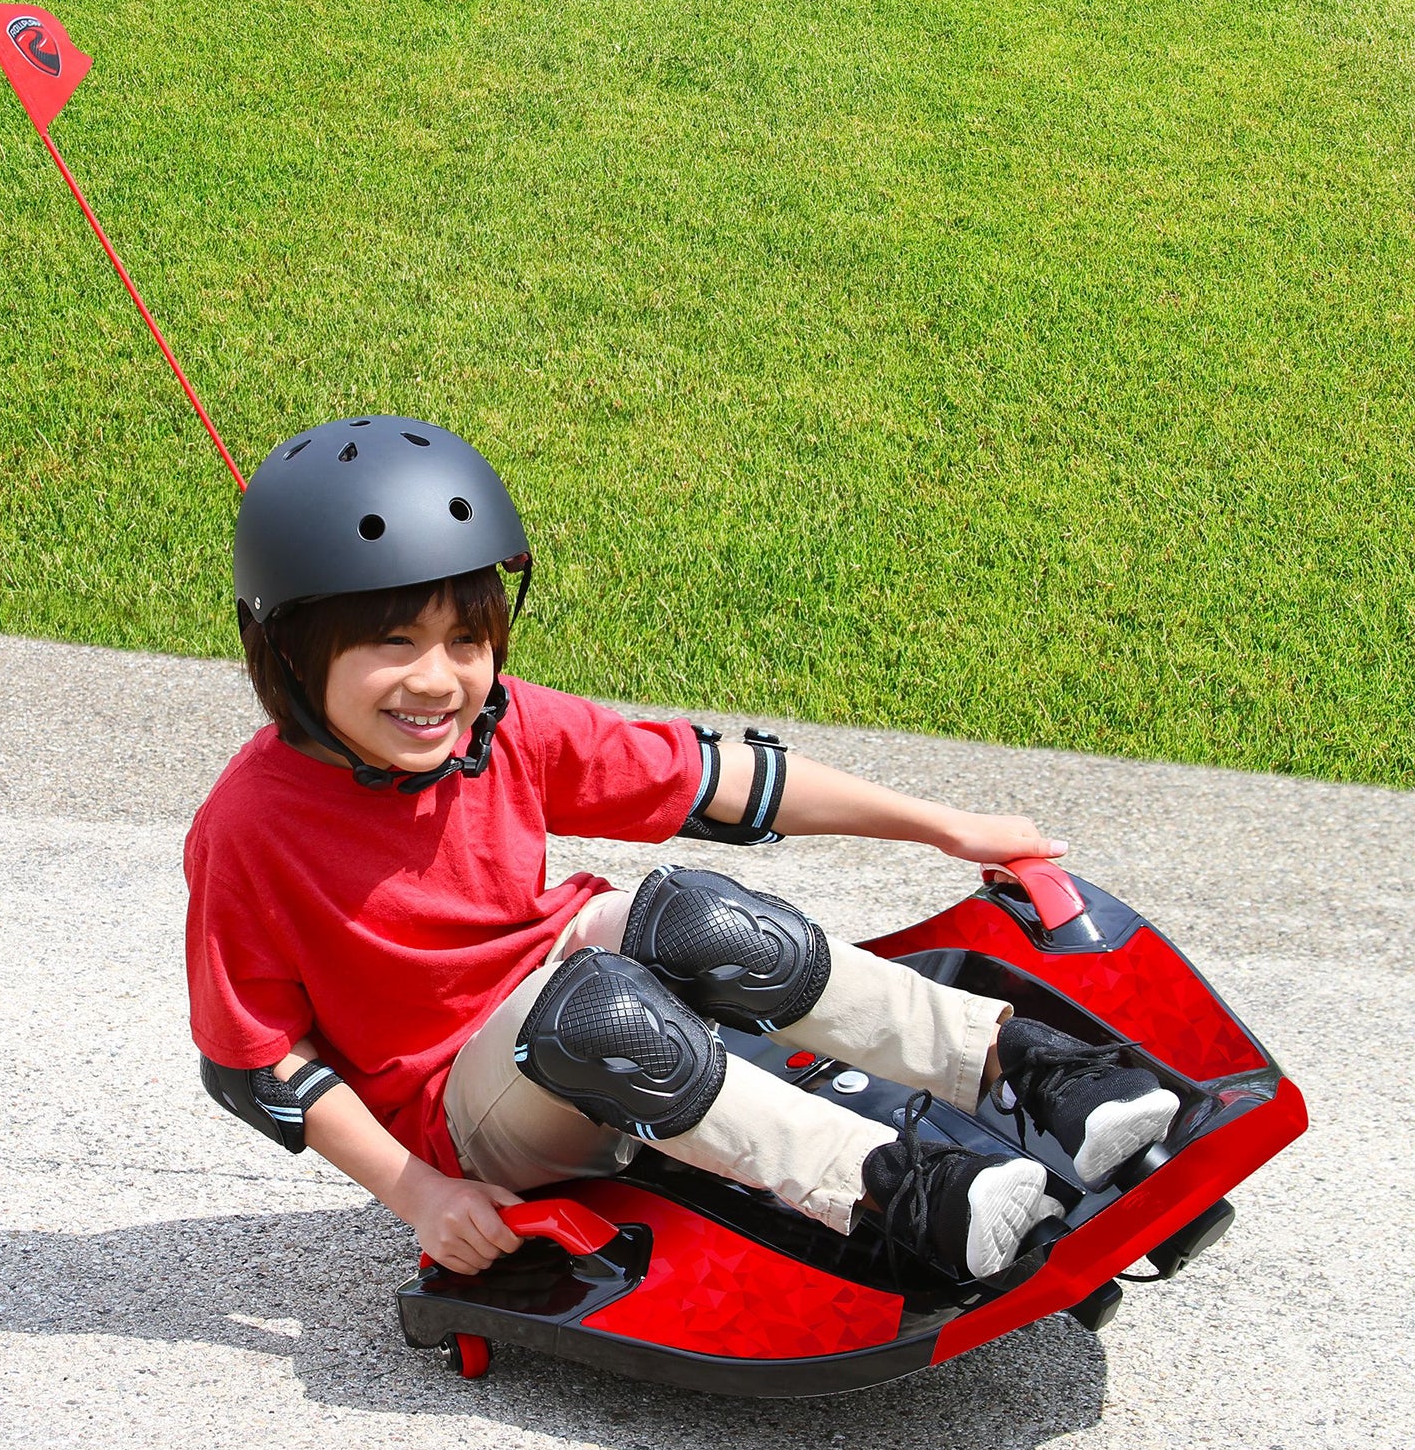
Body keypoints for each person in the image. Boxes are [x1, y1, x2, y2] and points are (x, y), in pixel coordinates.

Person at [185, 416, 1178, 1285]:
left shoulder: (502, 724)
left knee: (696, 915)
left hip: (552, 987)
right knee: (595, 1010)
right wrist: (424, 1197)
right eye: (393, 643)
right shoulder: (252, 824)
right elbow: (254, 1063)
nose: (439, 680)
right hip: (464, 1108)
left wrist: (948, 825)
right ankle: (892, 1191)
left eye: (467, 639)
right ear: (288, 651)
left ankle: (1027, 1068)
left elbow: (723, 781)